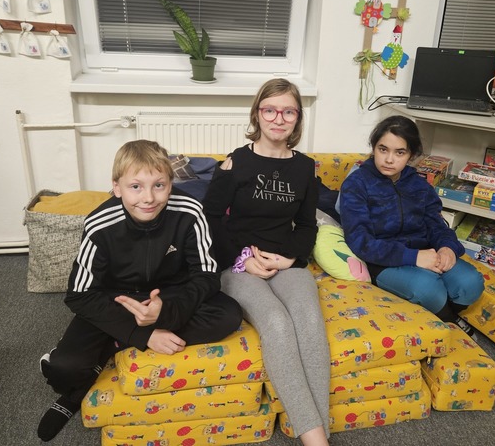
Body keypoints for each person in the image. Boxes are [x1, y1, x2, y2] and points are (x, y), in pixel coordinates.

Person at [37, 140, 242, 442]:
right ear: (117, 188)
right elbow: (79, 295)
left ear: (170, 184)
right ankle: (75, 391)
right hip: (116, 300)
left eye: (159, 185)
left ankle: (112, 346)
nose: (148, 198)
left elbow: (207, 274)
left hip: (169, 294)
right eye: (136, 187)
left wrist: (165, 313)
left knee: (228, 316)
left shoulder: (190, 210)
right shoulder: (99, 224)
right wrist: (144, 335)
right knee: (63, 370)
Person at [202, 78, 331, 446]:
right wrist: (242, 259)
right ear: (257, 114)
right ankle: (316, 439)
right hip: (238, 264)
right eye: (270, 110)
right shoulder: (235, 163)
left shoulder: (305, 168)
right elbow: (209, 220)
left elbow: (307, 225)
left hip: (284, 261)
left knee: (308, 320)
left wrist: (292, 257)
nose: (279, 118)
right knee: (276, 321)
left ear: (298, 118)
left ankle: (317, 434)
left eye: (288, 111)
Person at [339, 115, 484, 335]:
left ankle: (440, 313)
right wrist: (414, 257)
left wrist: (447, 248)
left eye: (400, 152)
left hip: (426, 252)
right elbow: (360, 241)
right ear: (373, 147)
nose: (389, 159)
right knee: (428, 288)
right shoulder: (357, 184)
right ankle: (449, 320)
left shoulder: (419, 185)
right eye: (383, 149)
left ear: (412, 155)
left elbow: (437, 224)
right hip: (383, 262)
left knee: (470, 282)